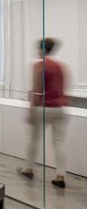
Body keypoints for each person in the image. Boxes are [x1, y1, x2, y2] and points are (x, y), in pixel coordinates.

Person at [21, 37, 70, 188]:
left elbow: (36, 90)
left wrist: (30, 111)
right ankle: (60, 175)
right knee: (59, 142)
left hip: (43, 108)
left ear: (42, 49)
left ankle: (29, 168)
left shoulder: (39, 65)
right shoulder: (61, 66)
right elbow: (64, 89)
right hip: (59, 109)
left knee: (34, 139)